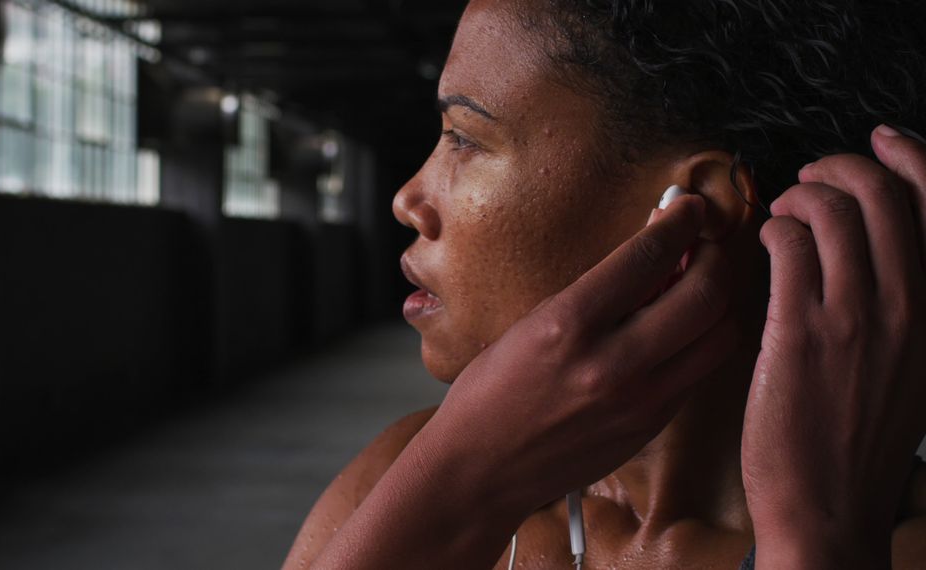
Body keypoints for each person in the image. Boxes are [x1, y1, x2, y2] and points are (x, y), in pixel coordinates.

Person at [283, 0, 926, 567]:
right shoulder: (414, 472)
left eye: (464, 138)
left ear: (690, 207)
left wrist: (819, 544)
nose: (407, 199)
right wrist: (463, 482)